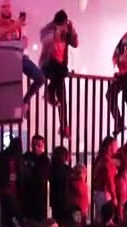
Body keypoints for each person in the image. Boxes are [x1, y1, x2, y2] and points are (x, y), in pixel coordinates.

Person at [0, 0, 45, 103]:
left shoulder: (16, 24)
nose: (7, 9)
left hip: (19, 57)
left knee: (40, 78)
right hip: (5, 60)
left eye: (8, 6)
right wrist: (16, 25)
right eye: (4, 6)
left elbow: (24, 40)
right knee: (9, 89)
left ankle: (25, 102)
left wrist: (24, 42)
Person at [39, 10, 78, 138]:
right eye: (64, 23)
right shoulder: (49, 29)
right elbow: (45, 40)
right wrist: (56, 31)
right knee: (63, 72)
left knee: (62, 99)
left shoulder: (67, 32)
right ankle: (49, 93)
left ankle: (64, 127)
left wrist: (72, 30)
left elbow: (75, 44)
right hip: (48, 65)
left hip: (59, 69)